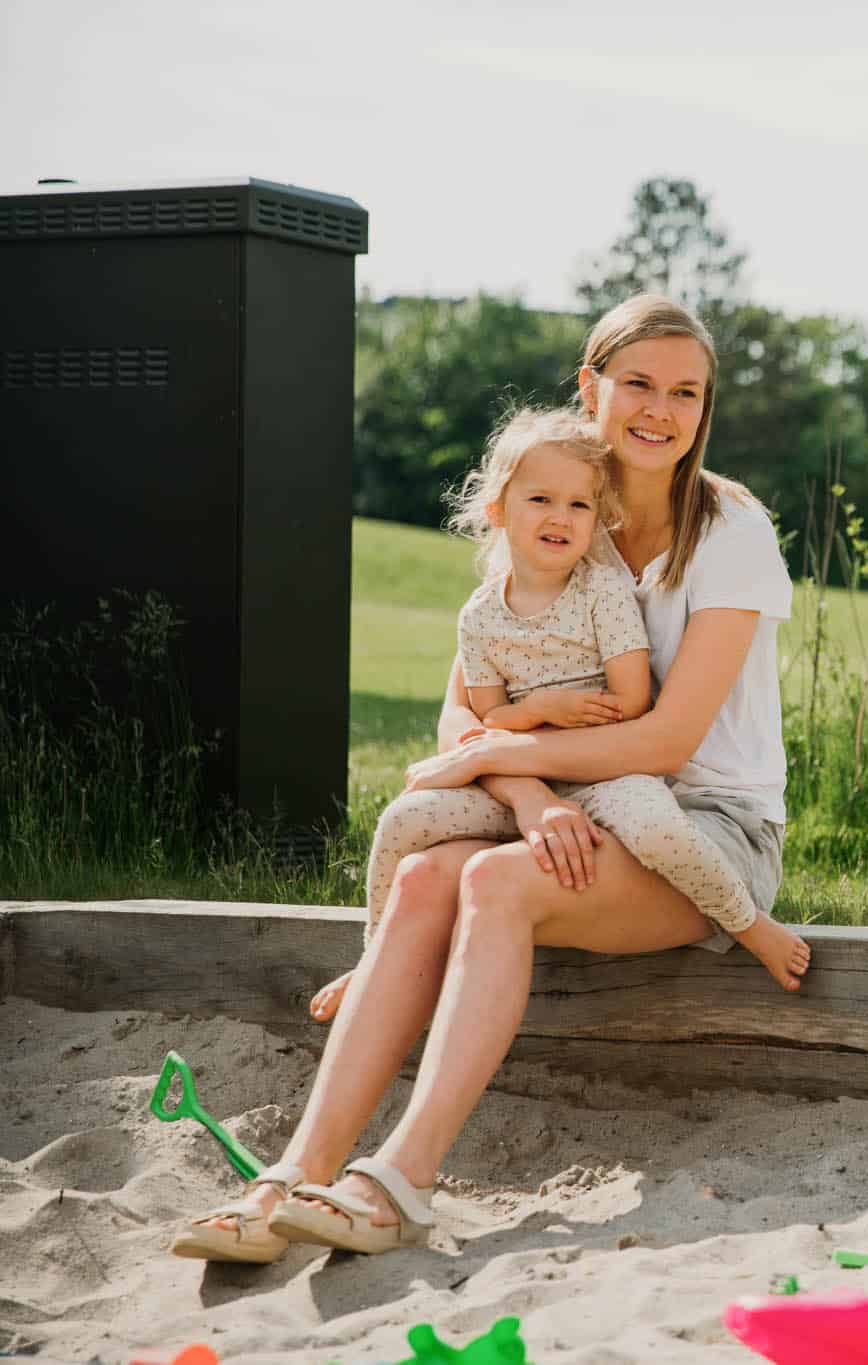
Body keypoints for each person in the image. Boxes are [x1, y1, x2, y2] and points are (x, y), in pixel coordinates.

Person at [172, 294, 808, 1262]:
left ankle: (397, 1184)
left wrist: (504, 754)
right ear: (590, 387)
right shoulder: (556, 511)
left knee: (489, 878)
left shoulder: (729, 531)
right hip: (567, 811)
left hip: (704, 831)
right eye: (637, 383)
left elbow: (667, 741)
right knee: (429, 873)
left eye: (686, 392)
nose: (660, 410)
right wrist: (525, 789)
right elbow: (462, 717)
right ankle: (288, 1178)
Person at [309, 406, 804, 1009]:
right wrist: (545, 710)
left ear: (598, 518)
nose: (560, 518)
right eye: (541, 500)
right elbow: (484, 721)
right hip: (526, 785)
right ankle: (374, 958)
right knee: (401, 823)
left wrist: (535, 724)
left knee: (659, 828)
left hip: (609, 774)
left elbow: (632, 701)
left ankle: (747, 923)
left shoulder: (603, 589)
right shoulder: (481, 614)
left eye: (578, 506)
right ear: (498, 510)